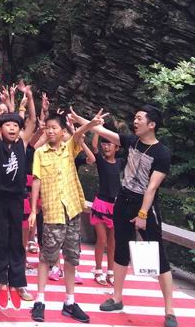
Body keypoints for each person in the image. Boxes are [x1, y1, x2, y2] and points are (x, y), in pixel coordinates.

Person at [71, 104, 176, 327]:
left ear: (152, 124)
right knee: (120, 249)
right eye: (135, 118)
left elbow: (152, 188)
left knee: (159, 256)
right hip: (123, 202)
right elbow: (100, 131)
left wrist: (142, 214)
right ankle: (117, 297)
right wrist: (80, 119)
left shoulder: (162, 153)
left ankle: (169, 310)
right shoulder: (131, 142)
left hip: (145, 207)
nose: (134, 121)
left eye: (139, 118)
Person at [29, 109, 106, 323]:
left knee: (72, 257)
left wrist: (91, 124)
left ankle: (70, 302)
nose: (50, 131)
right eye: (47, 128)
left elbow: (78, 133)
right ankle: (40, 300)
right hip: (52, 211)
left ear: (63, 131)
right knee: (46, 257)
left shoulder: (69, 146)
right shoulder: (40, 153)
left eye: (54, 128)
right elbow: (36, 180)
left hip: (71, 210)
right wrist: (33, 210)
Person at [0, 75, 36, 308]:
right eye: (8, 125)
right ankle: (1, 282)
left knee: (17, 240)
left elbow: (33, 120)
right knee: (1, 240)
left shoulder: (22, 143)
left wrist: (30, 97)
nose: (12, 128)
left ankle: (16, 283)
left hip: (17, 198)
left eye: (15, 125)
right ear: (0, 129)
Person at [90, 133, 122, 285]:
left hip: (115, 206)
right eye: (105, 144)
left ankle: (110, 271)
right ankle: (98, 270)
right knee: (101, 239)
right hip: (101, 205)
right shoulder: (101, 161)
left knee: (113, 242)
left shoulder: (121, 162)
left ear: (117, 147)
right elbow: (94, 146)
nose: (106, 147)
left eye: (110, 144)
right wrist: (97, 129)